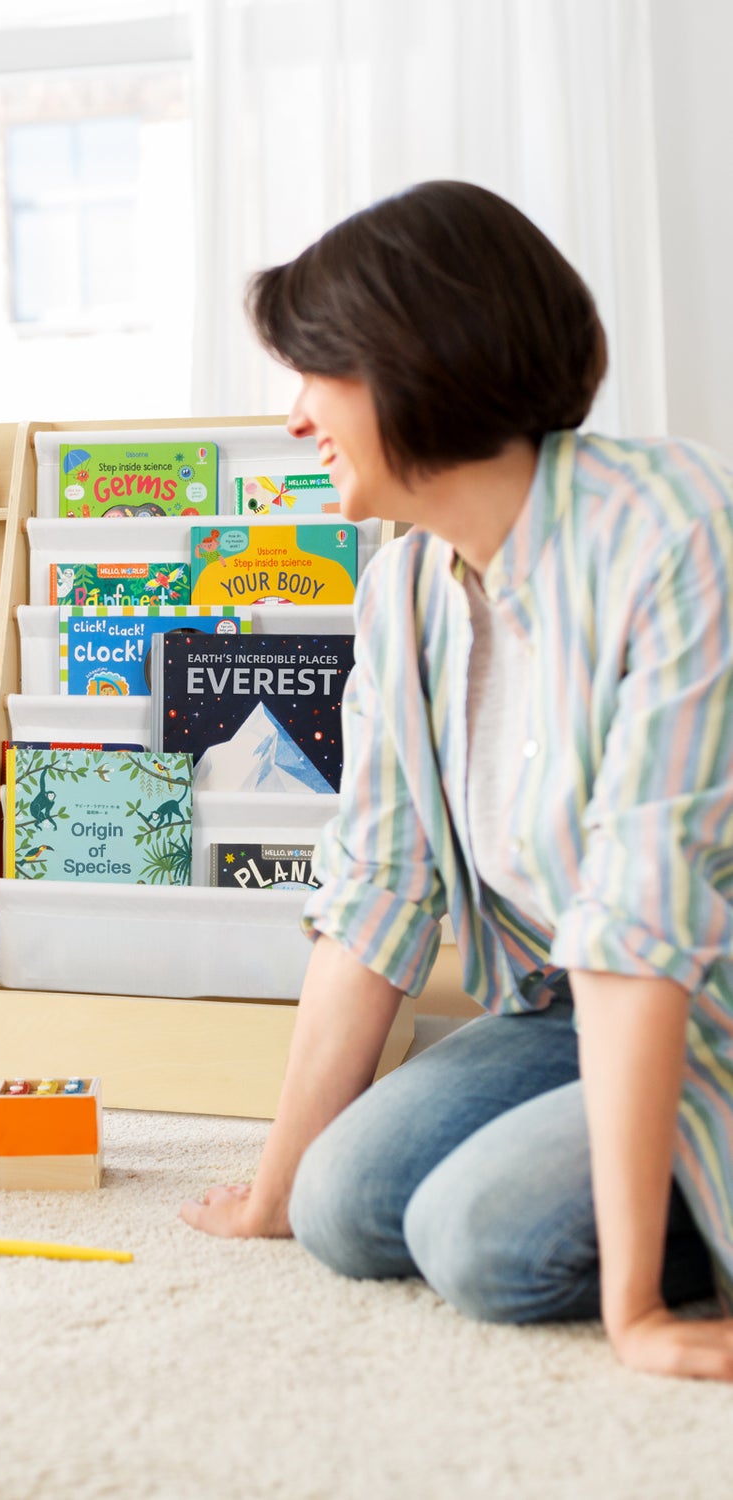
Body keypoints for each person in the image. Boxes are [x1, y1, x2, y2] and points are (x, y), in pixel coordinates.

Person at [181, 180, 733, 1383]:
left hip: (705, 1002)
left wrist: (634, 1308)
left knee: (478, 1240)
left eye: (316, 373)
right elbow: (376, 889)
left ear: (411, 362)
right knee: (341, 1206)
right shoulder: (404, 589)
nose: (294, 416)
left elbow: (644, 921)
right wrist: (276, 1189)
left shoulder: (674, 530)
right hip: (565, 1014)